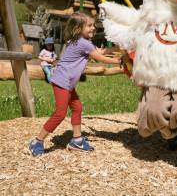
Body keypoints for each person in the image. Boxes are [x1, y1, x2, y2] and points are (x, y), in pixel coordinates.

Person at [29, 12, 121, 156]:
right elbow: (100, 57)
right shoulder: (83, 43)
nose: (93, 28)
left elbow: (101, 51)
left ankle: (77, 140)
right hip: (62, 81)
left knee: (77, 107)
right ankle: (37, 141)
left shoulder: (82, 41)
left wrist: (119, 48)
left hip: (66, 82)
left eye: (93, 25)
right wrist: (120, 61)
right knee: (60, 114)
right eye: (89, 26)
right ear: (78, 28)